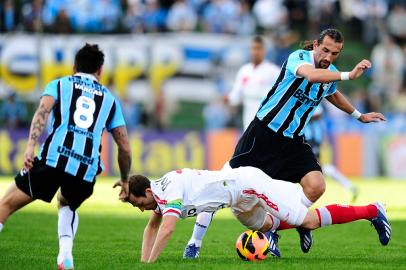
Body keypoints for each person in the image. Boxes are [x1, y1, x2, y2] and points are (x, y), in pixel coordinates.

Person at [226, 28, 385, 255]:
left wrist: (359, 116)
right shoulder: (298, 58)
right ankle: (194, 243)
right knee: (229, 185)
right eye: (325, 50)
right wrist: (349, 74)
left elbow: (332, 93)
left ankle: (298, 220)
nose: (328, 58)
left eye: (335, 54)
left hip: (293, 140)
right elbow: (311, 76)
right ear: (315, 45)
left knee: (316, 186)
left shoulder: (328, 72)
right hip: (263, 134)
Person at [0, 44, 132, 270]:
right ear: (100, 71)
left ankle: (65, 256)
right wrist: (125, 179)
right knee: (67, 203)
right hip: (86, 168)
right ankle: (65, 257)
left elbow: (42, 112)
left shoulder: (60, 85)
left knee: (5, 204)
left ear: (74, 67)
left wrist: (30, 146)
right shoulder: (110, 100)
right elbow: (125, 147)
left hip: (54, 158)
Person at [121, 166, 391, 263]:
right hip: (236, 201)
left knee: (306, 218)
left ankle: (372, 210)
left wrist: (151, 265)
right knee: (267, 226)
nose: (140, 209)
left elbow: (167, 230)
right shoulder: (157, 192)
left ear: (146, 191)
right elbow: (152, 228)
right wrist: (144, 262)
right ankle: (295, 225)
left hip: (248, 185)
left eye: (138, 204)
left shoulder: (170, 191)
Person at [303, 105, 359, 202]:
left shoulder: (312, 125)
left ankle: (349, 186)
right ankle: (349, 186)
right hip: (313, 145)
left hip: (311, 146)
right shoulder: (316, 124)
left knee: (320, 169)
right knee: (322, 169)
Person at [227, 36, 280, 130]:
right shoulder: (244, 70)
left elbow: (280, 94)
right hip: (248, 116)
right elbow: (235, 95)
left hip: (267, 118)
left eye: (258, 49)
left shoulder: (273, 71)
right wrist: (228, 98)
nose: (255, 52)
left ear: (264, 51)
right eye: (253, 48)